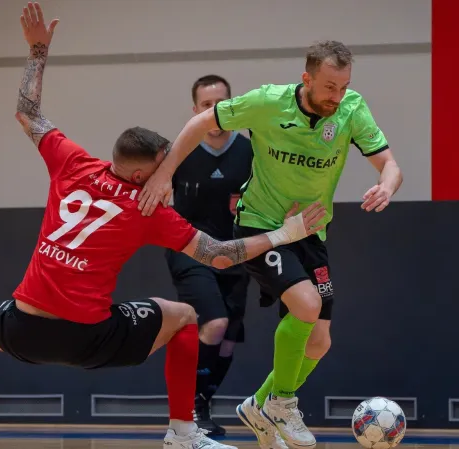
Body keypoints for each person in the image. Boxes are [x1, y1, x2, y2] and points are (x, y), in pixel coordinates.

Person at [0, 3, 327, 449]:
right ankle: (184, 434)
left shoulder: (71, 163)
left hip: (26, 327)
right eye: (162, 169)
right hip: (88, 338)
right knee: (185, 317)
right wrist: (284, 235)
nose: (165, 176)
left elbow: (27, 112)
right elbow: (217, 253)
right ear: (141, 176)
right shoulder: (146, 207)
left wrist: (38, 50)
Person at [137, 40, 404, 449]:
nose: (337, 95)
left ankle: (258, 404)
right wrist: (164, 174)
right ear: (307, 79)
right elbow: (199, 124)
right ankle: (281, 402)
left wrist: (386, 186)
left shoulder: (351, 108)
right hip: (260, 227)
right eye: (330, 86)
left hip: (311, 232)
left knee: (320, 339)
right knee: (307, 304)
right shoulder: (267, 102)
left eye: (344, 86)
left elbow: (389, 163)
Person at [164, 75, 254, 435]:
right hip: (191, 249)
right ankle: (191, 408)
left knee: (229, 335)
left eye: (220, 104)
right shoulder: (180, 150)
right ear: (195, 110)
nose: (213, 111)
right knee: (213, 324)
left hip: (236, 251)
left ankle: (202, 404)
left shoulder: (250, 151)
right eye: (206, 105)